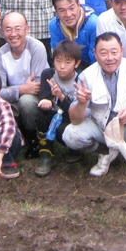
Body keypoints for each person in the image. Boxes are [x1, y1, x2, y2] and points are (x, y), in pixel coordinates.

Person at [63, 32, 126, 184]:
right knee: (70, 134)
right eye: (103, 53)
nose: (109, 58)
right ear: (95, 54)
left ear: (122, 51)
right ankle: (105, 153)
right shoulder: (86, 76)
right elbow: (75, 120)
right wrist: (81, 103)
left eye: (114, 52)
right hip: (101, 127)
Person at [0, 11, 50, 154]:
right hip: (12, 100)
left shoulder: (37, 48)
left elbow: (37, 86)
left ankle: (34, 139)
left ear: (27, 29)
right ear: (2, 32)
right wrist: (21, 89)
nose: (13, 34)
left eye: (18, 29)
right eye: (8, 29)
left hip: (38, 99)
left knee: (26, 101)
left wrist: (12, 90)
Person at [34, 40, 83, 177]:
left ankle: (74, 149)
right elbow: (44, 95)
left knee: (68, 129)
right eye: (58, 61)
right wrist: (46, 100)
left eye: (67, 62)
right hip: (53, 114)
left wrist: (61, 96)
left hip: (71, 118)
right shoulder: (48, 74)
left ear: (76, 63)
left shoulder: (81, 79)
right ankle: (46, 155)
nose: (62, 66)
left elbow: (76, 111)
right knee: (42, 115)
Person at [49, 0, 98, 67]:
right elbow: (58, 55)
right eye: (62, 10)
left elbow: (94, 58)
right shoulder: (54, 25)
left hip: (90, 65)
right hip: (67, 66)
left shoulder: (93, 23)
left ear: (79, 5)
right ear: (56, 11)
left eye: (72, 8)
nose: (68, 14)